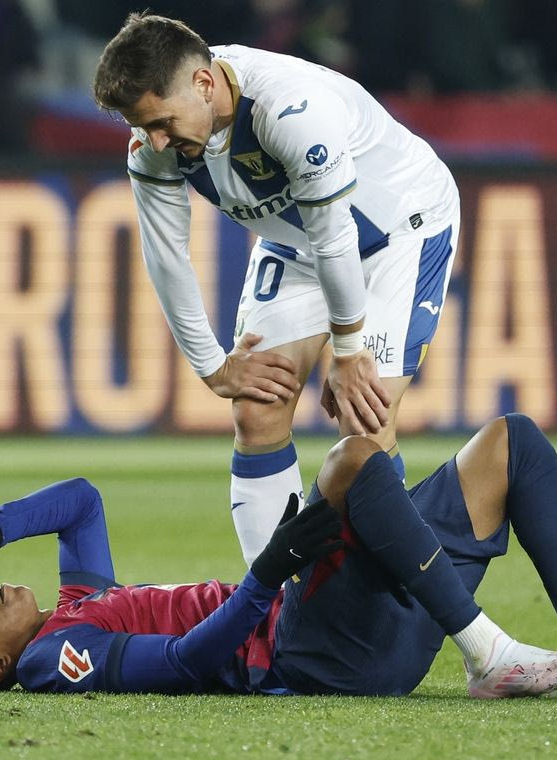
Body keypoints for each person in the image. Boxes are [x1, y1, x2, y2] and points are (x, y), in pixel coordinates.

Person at [0, 414, 557, 698]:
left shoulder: (73, 608)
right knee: (351, 460)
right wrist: (268, 573)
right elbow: (190, 660)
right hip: (309, 649)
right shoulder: (50, 659)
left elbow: (83, 499)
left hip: (352, 627)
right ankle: (490, 654)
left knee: (515, 444)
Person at [90, 14, 462, 564]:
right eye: (142, 127)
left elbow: (336, 234)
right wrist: (214, 367)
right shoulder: (154, 146)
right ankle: (271, 606)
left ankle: (395, 603)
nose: (155, 140)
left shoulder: (290, 110)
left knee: (364, 420)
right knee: (256, 409)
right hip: (300, 240)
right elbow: (166, 258)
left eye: (162, 122)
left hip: (400, 231)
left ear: (203, 83)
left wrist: (348, 351)